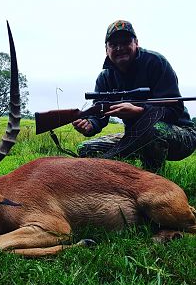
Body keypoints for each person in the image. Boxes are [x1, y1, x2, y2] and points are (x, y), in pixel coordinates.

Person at [73, 20, 196, 172]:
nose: (120, 48)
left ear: (136, 43)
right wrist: (90, 125)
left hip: (180, 133)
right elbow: (99, 114)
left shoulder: (156, 62)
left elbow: (174, 110)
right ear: (106, 49)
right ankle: (125, 178)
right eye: (113, 44)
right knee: (86, 150)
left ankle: (153, 183)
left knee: (152, 130)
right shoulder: (104, 78)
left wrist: (140, 111)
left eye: (126, 42)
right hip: (135, 135)